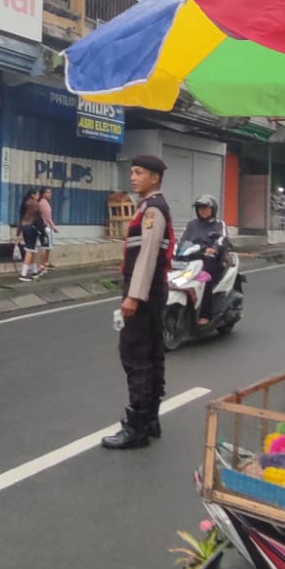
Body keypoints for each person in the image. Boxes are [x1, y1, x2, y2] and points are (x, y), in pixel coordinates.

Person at [101, 154, 174, 450]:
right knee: (153, 353)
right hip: (153, 291)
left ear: (154, 178)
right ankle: (151, 418)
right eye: (132, 172)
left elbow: (147, 255)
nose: (133, 177)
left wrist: (133, 296)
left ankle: (137, 427)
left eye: (139, 172)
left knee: (135, 354)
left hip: (144, 292)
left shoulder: (153, 210)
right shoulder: (149, 207)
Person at [181, 194, 228, 326]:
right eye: (200, 208)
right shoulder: (191, 225)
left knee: (204, 278)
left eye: (206, 208)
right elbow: (181, 241)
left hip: (211, 260)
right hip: (191, 259)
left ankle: (205, 314)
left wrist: (214, 249)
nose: (203, 210)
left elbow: (222, 239)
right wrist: (175, 250)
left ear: (213, 209)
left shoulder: (219, 224)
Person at [15, 189, 45, 281]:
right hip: (32, 228)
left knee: (31, 250)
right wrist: (43, 232)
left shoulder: (25, 203)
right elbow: (40, 218)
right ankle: (23, 274)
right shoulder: (36, 204)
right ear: (33, 195)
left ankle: (34, 272)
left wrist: (18, 234)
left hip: (25, 228)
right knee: (30, 251)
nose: (38, 196)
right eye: (37, 194)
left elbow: (21, 219)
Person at [36, 186, 59, 273]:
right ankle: (42, 265)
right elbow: (48, 218)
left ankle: (45, 263)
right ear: (43, 194)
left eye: (50, 193)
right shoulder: (44, 203)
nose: (50, 194)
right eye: (48, 192)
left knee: (48, 246)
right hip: (45, 227)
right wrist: (53, 227)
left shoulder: (43, 202)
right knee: (45, 246)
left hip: (45, 227)